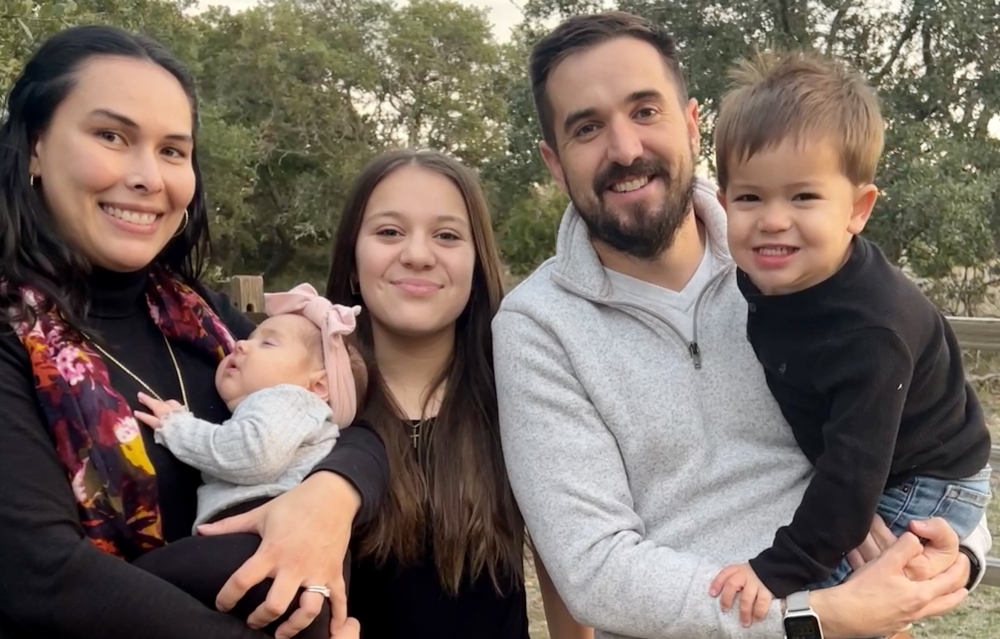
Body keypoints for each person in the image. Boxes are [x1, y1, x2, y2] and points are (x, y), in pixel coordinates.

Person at [491, 10, 993, 639]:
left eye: (645, 111)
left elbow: (932, 444)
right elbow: (595, 570)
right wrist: (811, 619)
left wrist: (960, 554)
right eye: (587, 128)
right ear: (555, 162)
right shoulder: (539, 327)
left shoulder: (806, 263)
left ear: (693, 125)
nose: (625, 149)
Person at [0, 25, 386, 639]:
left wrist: (330, 498)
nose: (149, 177)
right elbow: (38, 573)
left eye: (173, 151)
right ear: (35, 146)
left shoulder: (197, 317)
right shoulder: (13, 337)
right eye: (111, 136)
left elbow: (347, 419)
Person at [708, 49, 993, 624]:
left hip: (927, 478)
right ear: (723, 206)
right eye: (750, 197)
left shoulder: (870, 331)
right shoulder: (763, 279)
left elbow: (851, 480)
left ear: (857, 209)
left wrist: (774, 570)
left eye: (803, 196)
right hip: (869, 465)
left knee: (829, 604)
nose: (772, 219)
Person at [325, 148, 588, 639]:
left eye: (447, 235)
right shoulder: (312, 400)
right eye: (389, 232)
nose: (418, 254)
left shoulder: (520, 395)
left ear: (477, 262)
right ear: (353, 260)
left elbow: (564, 565)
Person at [127, 284, 368, 639]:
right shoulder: (297, 413)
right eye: (251, 337)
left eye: (267, 343)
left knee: (137, 583)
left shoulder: (287, 399)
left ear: (317, 387)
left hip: (258, 543)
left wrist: (177, 427)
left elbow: (253, 455)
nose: (241, 343)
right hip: (293, 566)